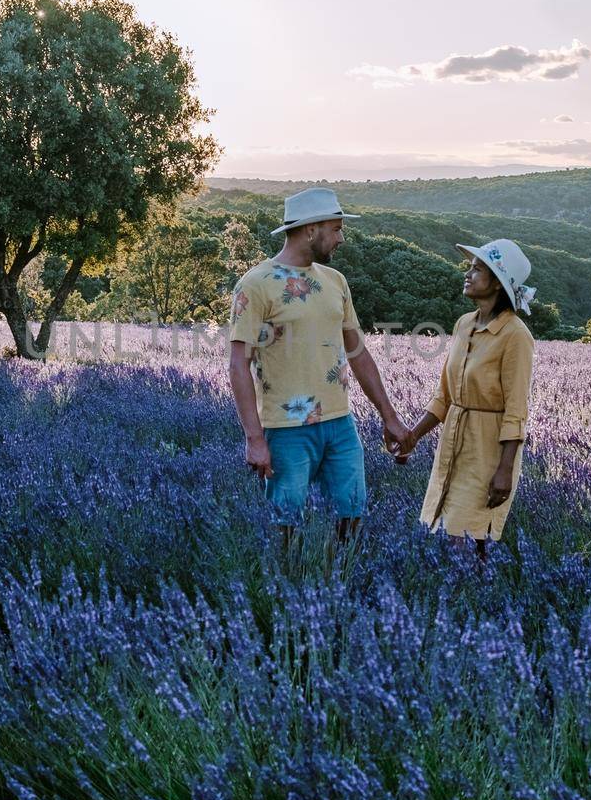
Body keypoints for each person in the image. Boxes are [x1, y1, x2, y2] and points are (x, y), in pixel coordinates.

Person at [227, 187, 410, 547]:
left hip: (340, 424)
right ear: (311, 229)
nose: (341, 238)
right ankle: (288, 591)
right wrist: (254, 439)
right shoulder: (255, 285)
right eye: (336, 228)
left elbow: (357, 352)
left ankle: (341, 583)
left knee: (352, 516)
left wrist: (389, 415)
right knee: (286, 524)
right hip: (285, 427)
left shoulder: (335, 282)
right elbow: (238, 365)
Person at [395, 239, 537, 558]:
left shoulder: (515, 335)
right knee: (449, 531)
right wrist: (413, 437)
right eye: (470, 267)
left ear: (498, 284)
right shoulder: (464, 325)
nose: (468, 273)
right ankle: (462, 599)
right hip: (453, 443)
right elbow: (444, 395)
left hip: (487, 451)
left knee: (474, 535)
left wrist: (505, 470)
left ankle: (477, 599)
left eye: (477, 269)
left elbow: (517, 410)